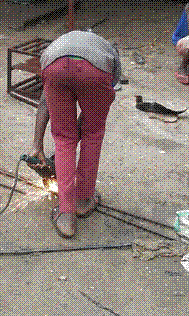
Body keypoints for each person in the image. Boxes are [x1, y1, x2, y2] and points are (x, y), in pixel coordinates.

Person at [29, 30, 121, 238]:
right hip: (95, 71)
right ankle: (83, 200)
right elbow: (105, 97)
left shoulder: (57, 47)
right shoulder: (109, 52)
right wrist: (85, 127)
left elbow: (45, 101)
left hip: (55, 67)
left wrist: (38, 145)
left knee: (64, 140)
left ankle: (66, 214)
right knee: (93, 135)